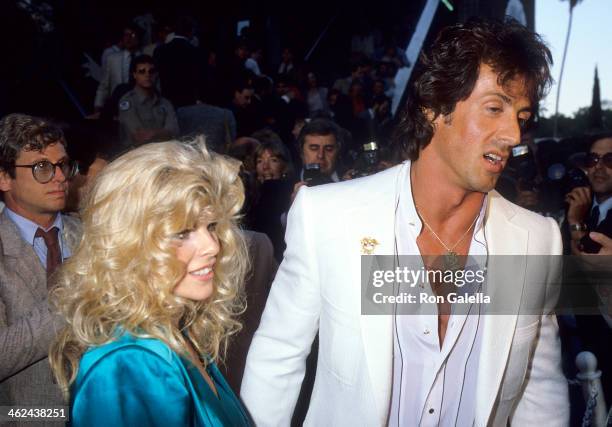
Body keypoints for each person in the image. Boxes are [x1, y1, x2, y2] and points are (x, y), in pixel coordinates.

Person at [241, 18, 569, 426]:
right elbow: (277, 356)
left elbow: (540, 393)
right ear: (435, 107)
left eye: (522, 115)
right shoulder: (328, 216)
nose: (514, 134)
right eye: (494, 108)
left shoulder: (537, 240)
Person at [49, 139, 251, 427]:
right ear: (130, 245)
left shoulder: (178, 333)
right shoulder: (130, 365)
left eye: (211, 226)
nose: (213, 246)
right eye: (182, 232)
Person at [0, 114, 81, 421]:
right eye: (42, 168)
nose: (60, 177)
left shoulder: (98, 238)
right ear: (4, 178)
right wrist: (74, 299)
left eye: (63, 165)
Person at [118, 54, 179, 148]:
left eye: (151, 71)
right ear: (134, 75)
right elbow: (139, 136)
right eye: (142, 71)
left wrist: (153, 133)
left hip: (163, 151)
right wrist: (163, 133)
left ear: (156, 74)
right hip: (135, 154)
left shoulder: (165, 103)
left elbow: (175, 131)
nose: (147, 75)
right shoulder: (127, 102)